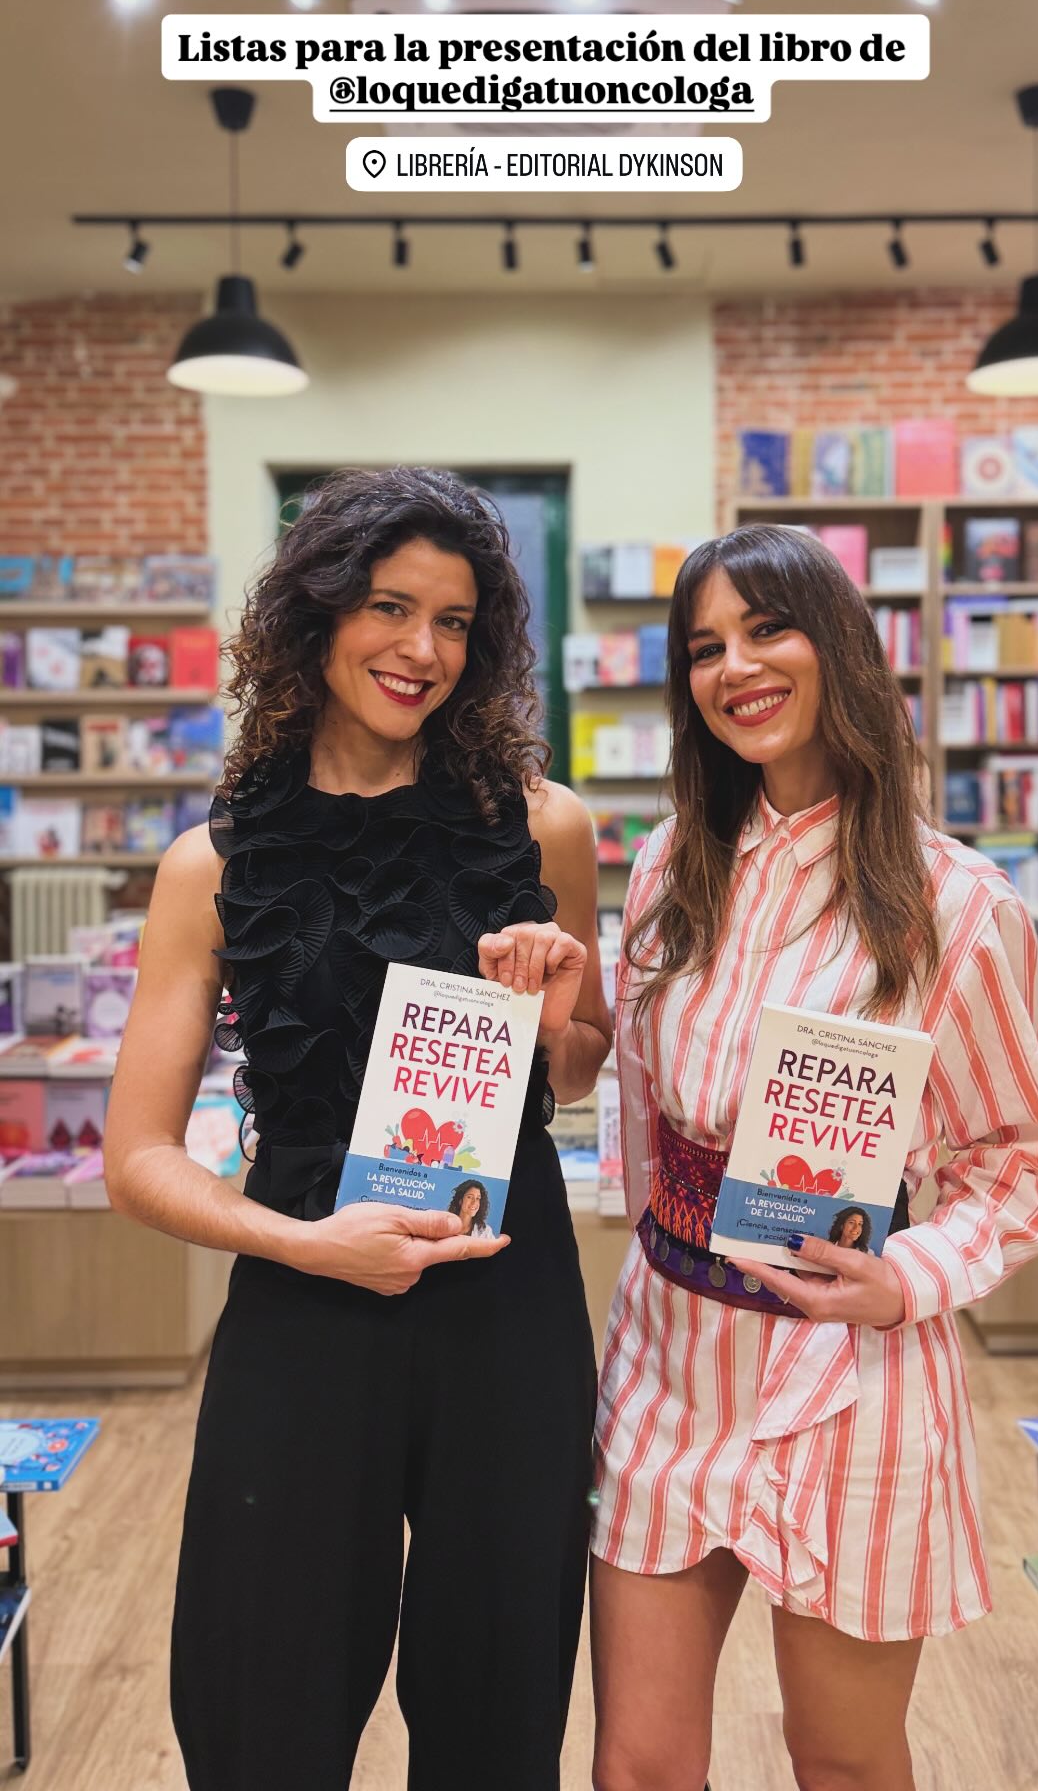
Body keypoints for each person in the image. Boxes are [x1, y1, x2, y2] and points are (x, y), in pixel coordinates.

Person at [105, 466, 610, 1791]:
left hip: (505, 1296)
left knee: (499, 1695)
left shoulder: (545, 826)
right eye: (390, 606)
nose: (420, 649)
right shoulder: (212, 865)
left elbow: (572, 1070)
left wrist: (553, 1010)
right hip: (304, 1295)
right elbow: (136, 1159)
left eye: (453, 621)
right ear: (317, 612)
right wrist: (303, 1243)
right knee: (260, 1695)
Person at [590, 524, 1038, 1791]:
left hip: (849, 1376)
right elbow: (636, 1093)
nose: (735, 667)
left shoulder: (956, 903)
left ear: (839, 645)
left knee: (845, 1760)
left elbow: (1019, 1156)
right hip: (669, 1360)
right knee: (637, 1766)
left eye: (768, 628)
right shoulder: (665, 867)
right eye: (705, 647)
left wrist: (906, 1277)